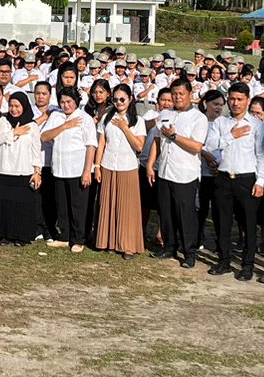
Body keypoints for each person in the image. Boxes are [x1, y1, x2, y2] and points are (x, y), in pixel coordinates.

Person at [204, 81, 264, 282]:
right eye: (232, 99)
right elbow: (211, 145)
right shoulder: (220, 123)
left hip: (246, 178)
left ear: (247, 100)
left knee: (249, 224)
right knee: (223, 222)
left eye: (239, 99)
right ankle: (224, 260)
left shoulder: (257, 125)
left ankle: (248, 264)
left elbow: (261, 155)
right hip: (224, 177)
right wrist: (230, 136)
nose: (235, 103)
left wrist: (260, 181)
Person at [149, 78, 207, 268]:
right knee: (166, 212)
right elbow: (157, 141)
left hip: (185, 174)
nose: (177, 97)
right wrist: (151, 164)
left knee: (185, 215)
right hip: (165, 170)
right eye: (174, 94)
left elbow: (197, 146)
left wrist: (174, 136)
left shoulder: (198, 118)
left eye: (181, 94)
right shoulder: (165, 113)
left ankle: (189, 252)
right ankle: (169, 246)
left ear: (190, 94)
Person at [91, 83, 145, 258]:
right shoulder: (107, 117)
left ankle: (128, 244)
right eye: (115, 99)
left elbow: (139, 146)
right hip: (108, 165)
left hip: (127, 167)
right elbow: (101, 143)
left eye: (122, 99)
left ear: (130, 99)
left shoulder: (138, 121)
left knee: (127, 207)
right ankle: (108, 240)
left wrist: (124, 127)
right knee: (108, 203)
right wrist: (97, 166)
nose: (119, 102)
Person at [41, 86, 96, 252]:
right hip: (59, 168)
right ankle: (64, 236)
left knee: (78, 205)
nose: (66, 105)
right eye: (63, 102)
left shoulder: (84, 118)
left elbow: (91, 145)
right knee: (62, 204)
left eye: (69, 102)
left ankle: (78, 238)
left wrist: (87, 170)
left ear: (76, 102)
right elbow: (44, 136)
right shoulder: (56, 116)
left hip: (77, 168)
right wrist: (65, 126)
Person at [0, 90, 41, 246]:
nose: (14, 109)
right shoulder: (3, 121)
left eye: (17, 106)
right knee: (4, 203)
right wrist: (13, 132)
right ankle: (5, 234)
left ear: (24, 106)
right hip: (4, 168)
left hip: (23, 170)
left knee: (21, 205)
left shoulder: (32, 125)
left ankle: (21, 236)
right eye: (11, 105)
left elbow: (36, 150)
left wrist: (37, 172)